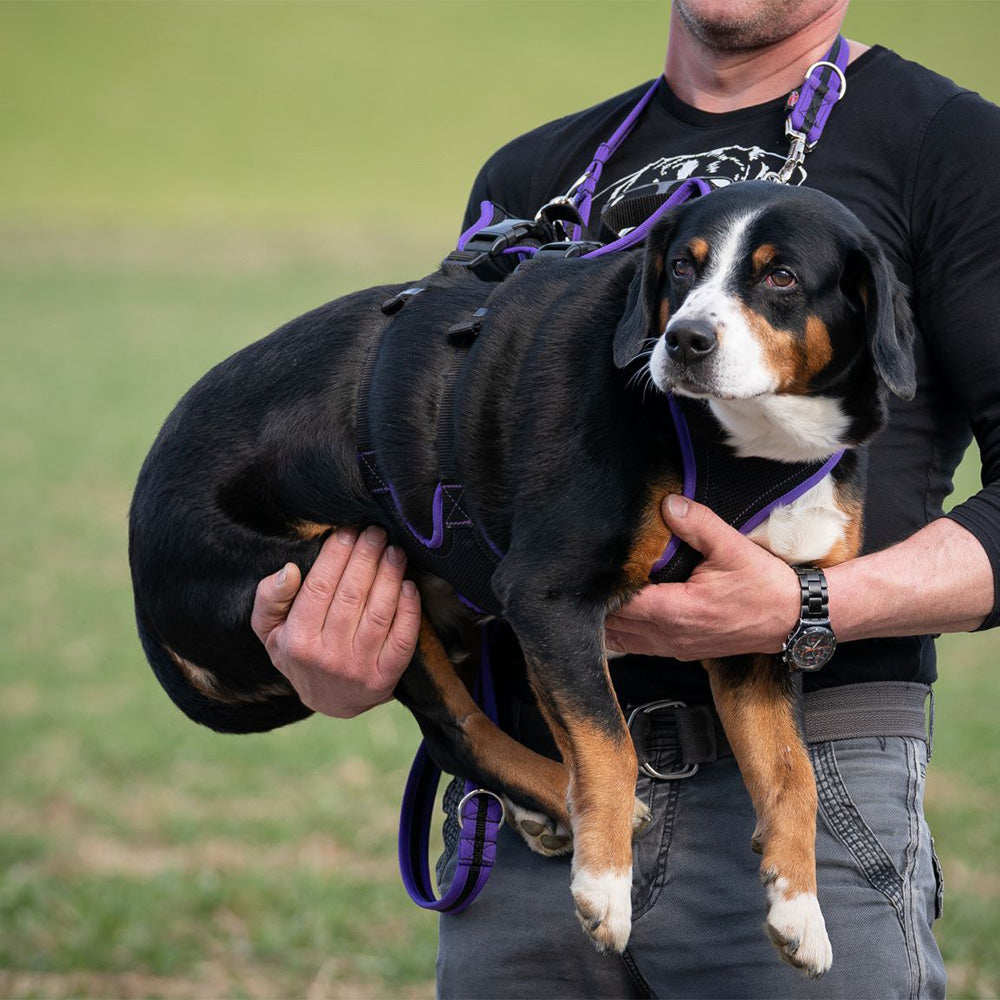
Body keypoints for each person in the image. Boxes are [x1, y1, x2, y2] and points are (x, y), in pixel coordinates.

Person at [250, 1, 1000, 995]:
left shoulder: (954, 148)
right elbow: (430, 492)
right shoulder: (534, 173)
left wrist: (806, 604)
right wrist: (349, 652)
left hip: (807, 779)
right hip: (532, 806)